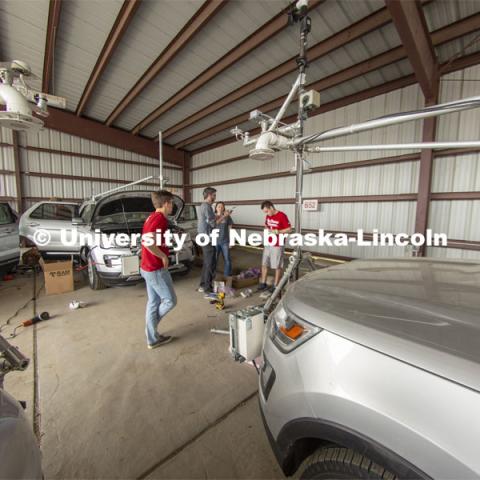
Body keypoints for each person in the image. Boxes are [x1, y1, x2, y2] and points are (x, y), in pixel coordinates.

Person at [140, 190, 177, 349]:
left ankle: (152, 338)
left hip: (147, 267)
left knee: (154, 302)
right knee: (170, 300)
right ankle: (151, 328)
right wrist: (163, 256)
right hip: (155, 268)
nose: (173, 206)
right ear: (166, 203)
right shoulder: (159, 219)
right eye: (172, 203)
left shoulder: (152, 217)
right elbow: (148, 242)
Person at [197, 187, 230, 294]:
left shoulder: (204, 206)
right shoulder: (207, 207)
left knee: (207, 262)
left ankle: (203, 285)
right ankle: (207, 288)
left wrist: (219, 215)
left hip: (204, 237)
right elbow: (214, 224)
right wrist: (224, 216)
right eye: (214, 195)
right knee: (210, 263)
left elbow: (211, 218)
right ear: (209, 195)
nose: (215, 197)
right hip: (207, 238)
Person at [258, 200, 292, 292]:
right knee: (264, 263)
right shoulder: (268, 215)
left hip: (277, 244)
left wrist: (278, 231)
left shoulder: (282, 216)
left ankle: (276, 285)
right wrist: (267, 229)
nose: (267, 214)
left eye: (267, 211)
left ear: (271, 208)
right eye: (265, 212)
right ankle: (263, 283)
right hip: (268, 243)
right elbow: (266, 224)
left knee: (277, 265)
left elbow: (289, 229)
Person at [215, 202, 233, 277]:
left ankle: (226, 276)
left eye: (222, 207)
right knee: (214, 260)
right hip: (215, 241)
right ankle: (213, 276)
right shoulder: (213, 216)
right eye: (219, 206)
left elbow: (230, 229)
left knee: (227, 260)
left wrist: (231, 241)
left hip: (225, 241)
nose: (220, 208)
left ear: (224, 208)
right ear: (216, 208)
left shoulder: (227, 217)